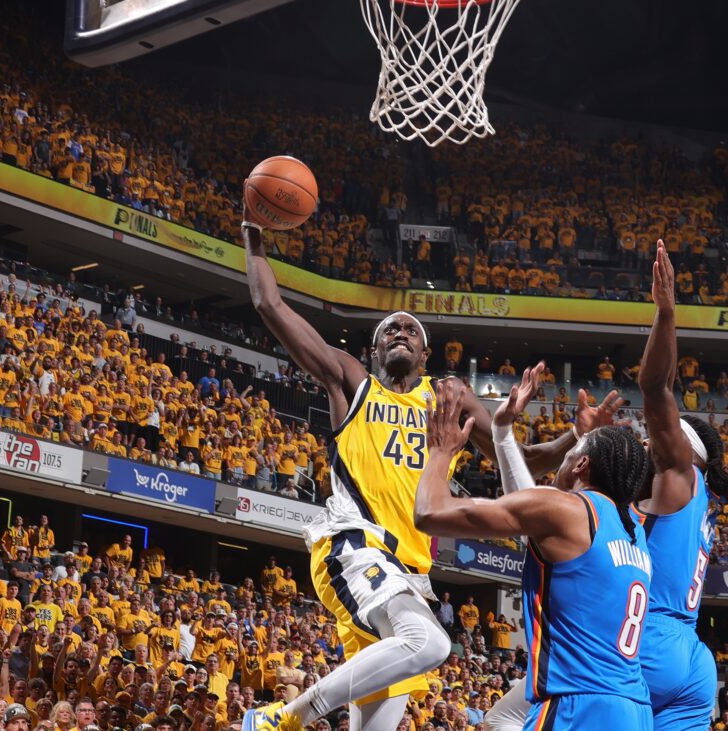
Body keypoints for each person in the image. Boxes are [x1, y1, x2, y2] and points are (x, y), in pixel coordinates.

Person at [239, 215, 616, 731]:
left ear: (425, 352)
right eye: (388, 330)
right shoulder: (353, 383)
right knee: (432, 643)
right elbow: (270, 305)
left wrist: (576, 434)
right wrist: (253, 236)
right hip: (356, 546)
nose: (400, 332)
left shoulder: (448, 399)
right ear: (373, 351)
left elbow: (522, 458)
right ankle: (283, 717)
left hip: (408, 576)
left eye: (410, 330)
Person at [414, 381, 653, 730]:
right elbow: (536, 509)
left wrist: (440, 452)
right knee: (499, 719)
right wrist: (504, 433)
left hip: (579, 705)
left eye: (573, 452)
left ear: (581, 463)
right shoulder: (634, 531)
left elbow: (430, 513)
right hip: (635, 709)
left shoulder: (567, 511)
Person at [634, 242, 728, 731]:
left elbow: (656, 388)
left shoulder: (679, 475)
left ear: (679, 449)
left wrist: (666, 314)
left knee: (512, 716)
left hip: (650, 639)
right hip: (693, 658)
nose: (646, 443)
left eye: (653, 438)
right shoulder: (700, 502)